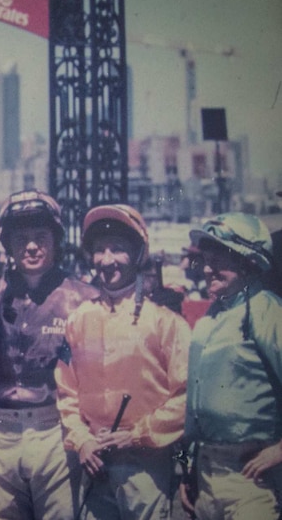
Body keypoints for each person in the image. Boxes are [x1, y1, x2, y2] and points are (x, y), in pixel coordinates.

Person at [54, 203, 190, 520]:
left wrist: (137, 434)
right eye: (100, 250)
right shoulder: (78, 320)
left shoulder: (166, 323)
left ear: (138, 253)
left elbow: (185, 396)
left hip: (145, 465)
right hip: (94, 463)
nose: (107, 260)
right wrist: (82, 440)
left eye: (117, 249)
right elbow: (66, 392)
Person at [0, 190, 98, 520]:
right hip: (0, 433)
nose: (30, 246)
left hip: (54, 434)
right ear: (8, 244)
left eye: (40, 237)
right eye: (21, 237)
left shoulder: (83, 299)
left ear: (56, 240)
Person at [181, 212, 282, 519]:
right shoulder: (209, 319)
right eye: (206, 260)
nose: (208, 269)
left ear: (248, 261)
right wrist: (188, 468)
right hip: (207, 473)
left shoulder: (267, 313)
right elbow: (193, 409)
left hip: (253, 476)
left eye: (219, 260)